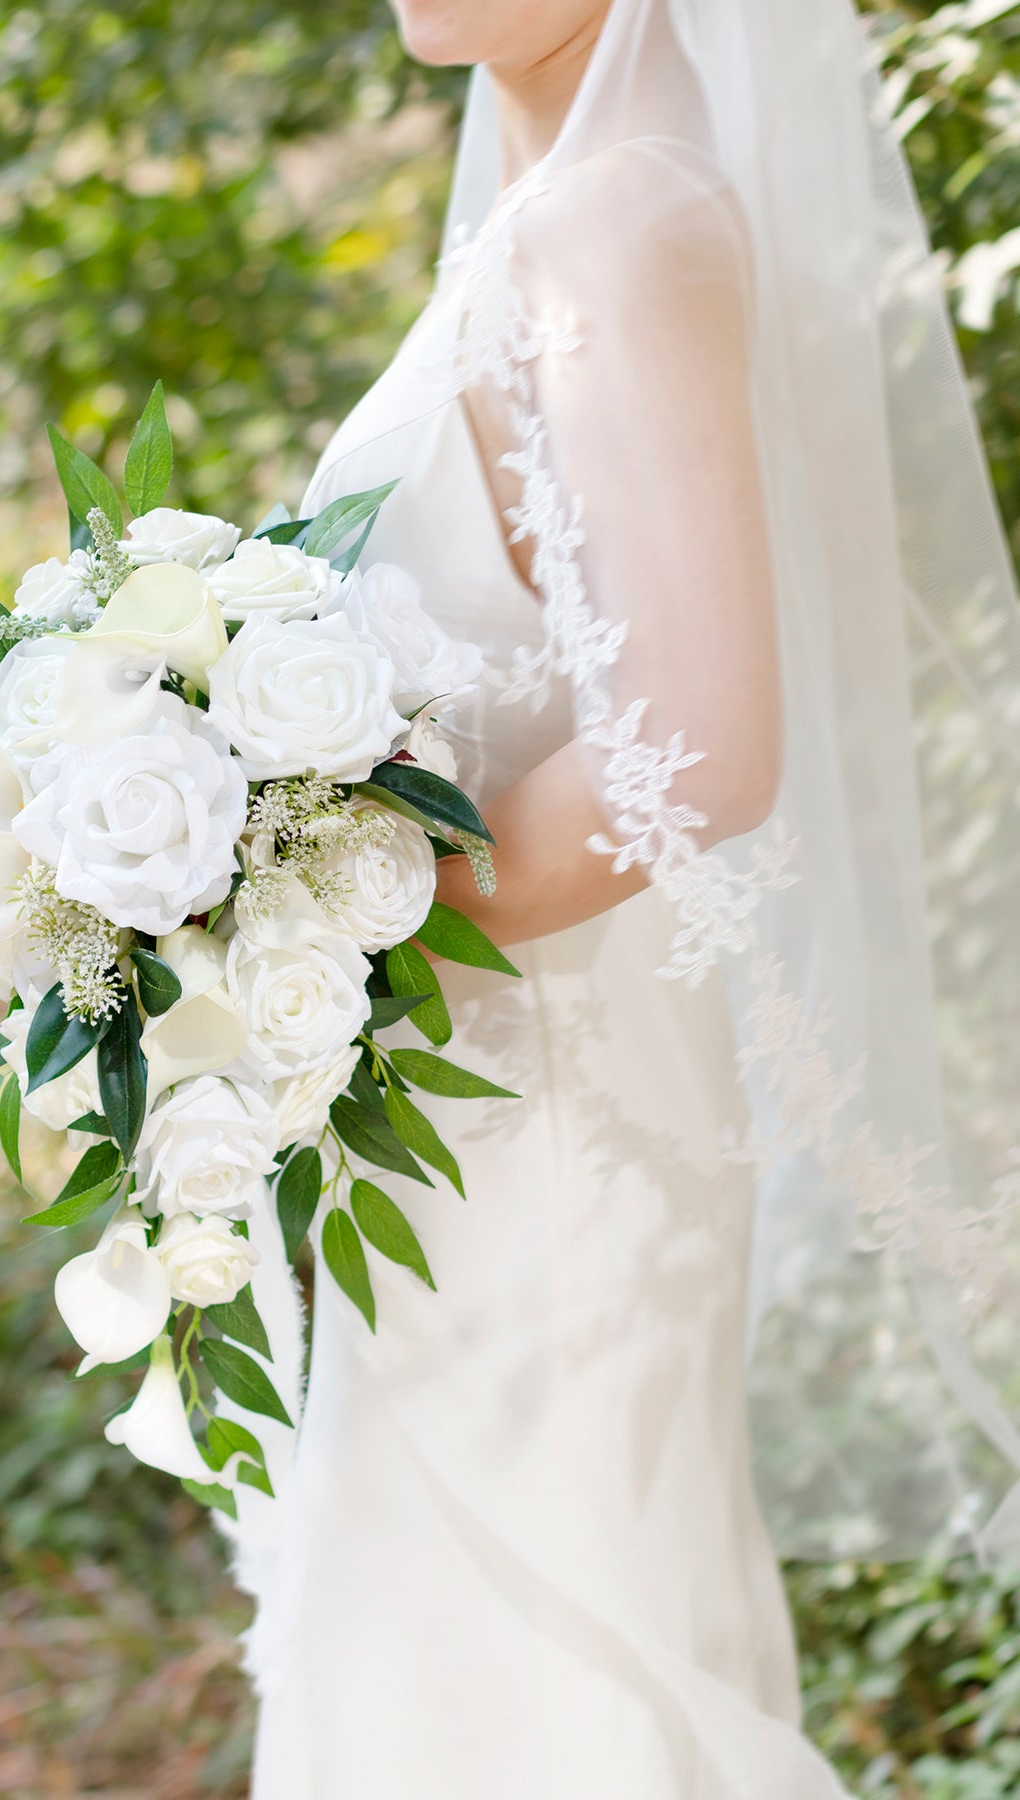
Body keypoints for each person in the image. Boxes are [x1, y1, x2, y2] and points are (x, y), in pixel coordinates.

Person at [222, 3, 1020, 1793]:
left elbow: (698, 746)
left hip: (557, 1153)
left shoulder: (619, 227)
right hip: (475, 1133)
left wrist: (318, 907)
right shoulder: (549, 212)